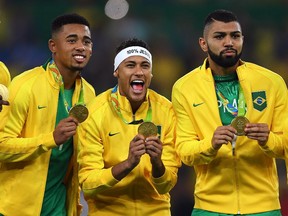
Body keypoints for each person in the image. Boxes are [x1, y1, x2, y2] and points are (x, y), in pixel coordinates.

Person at [171, 9, 288, 216]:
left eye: (235, 36)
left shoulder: (271, 82)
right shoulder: (184, 88)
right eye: (219, 36)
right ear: (203, 43)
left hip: (264, 207)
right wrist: (211, 143)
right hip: (209, 207)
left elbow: (285, 145)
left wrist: (267, 139)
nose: (229, 42)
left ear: (242, 39)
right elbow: (184, 152)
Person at [0, 13, 95, 216]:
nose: (81, 47)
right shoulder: (25, 85)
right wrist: (50, 139)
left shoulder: (89, 93)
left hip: (60, 206)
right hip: (16, 208)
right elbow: (2, 147)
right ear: (53, 46)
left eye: (86, 42)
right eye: (72, 40)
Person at [77, 38, 181, 216]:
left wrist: (157, 162)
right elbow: (88, 184)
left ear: (151, 74)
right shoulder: (94, 113)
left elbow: (166, 185)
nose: (139, 72)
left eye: (145, 66)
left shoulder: (167, 111)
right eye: (130, 65)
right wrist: (128, 164)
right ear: (117, 71)